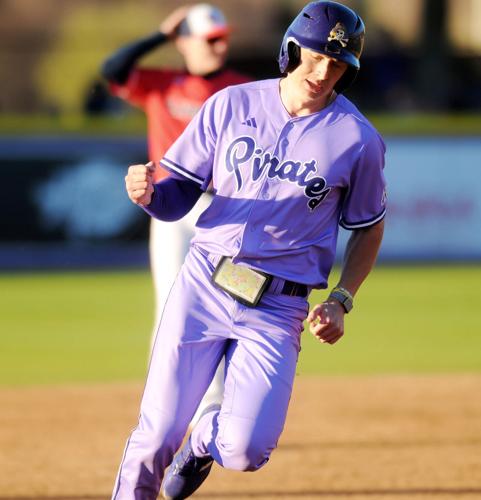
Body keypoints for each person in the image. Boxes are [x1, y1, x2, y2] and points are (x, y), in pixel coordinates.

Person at [116, 1, 386, 499]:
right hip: (204, 283)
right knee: (155, 433)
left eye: (339, 62)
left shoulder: (358, 140)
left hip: (279, 306)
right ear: (291, 48)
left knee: (245, 450)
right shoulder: (230, 105)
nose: (324, 70)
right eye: (316, 54)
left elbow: (369, 226)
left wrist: (343, 297)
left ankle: (202, 440)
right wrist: (150, 193)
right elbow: (179, 193)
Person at [101, 4, 250, 424]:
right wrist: (160, 36)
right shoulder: (161, 84)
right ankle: (162, 408)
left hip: (218, 211)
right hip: (168, 210)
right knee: (169, 303)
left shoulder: (240, 90)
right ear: (185, 42)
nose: (220, 46)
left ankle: (213, 408)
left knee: (230, 299)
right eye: (210, 39)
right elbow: (113, 69)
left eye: (223, 37)